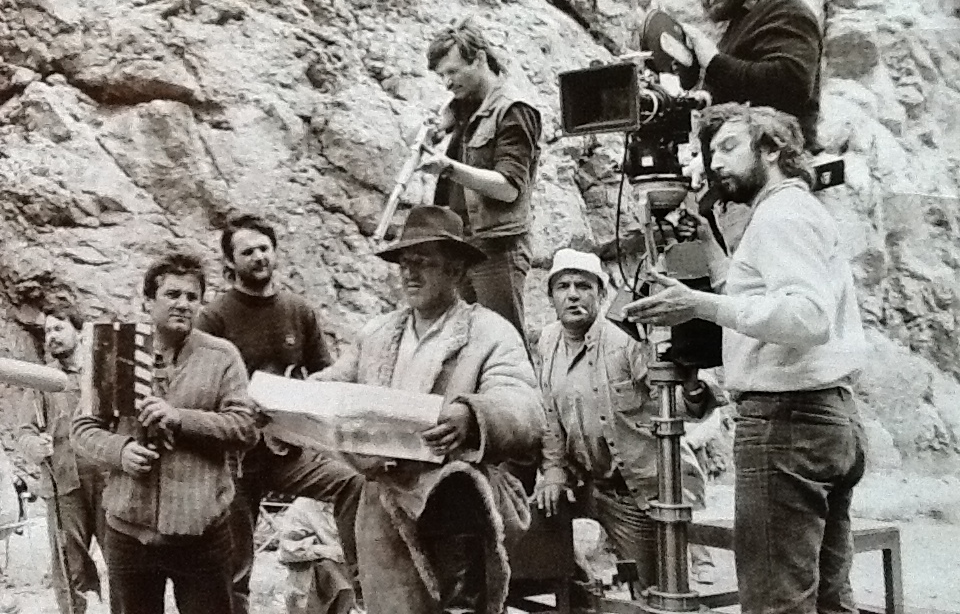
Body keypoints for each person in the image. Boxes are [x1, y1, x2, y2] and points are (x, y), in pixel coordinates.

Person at [624, 104, 867, 614]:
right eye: (711, 152)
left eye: (730, 147)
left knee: (777, 602)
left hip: (787, 424)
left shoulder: (781, 215)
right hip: (827, 417)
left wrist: (699, 304)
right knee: (829, 601)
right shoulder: (793, 211)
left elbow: (807, 318)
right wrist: (710, 248)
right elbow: (761, 297)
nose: (716, 163)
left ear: (773, 149)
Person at [313, 205, 545, 614]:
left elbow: (524, 406)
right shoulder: (377, 333)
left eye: (423, 263)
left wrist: (472, 416)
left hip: (458, 511)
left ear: (456, 271)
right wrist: (286, 399)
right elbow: (335, 385)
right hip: (383, 508)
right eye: (404, 263)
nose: (410, 274)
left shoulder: (489, 332)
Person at [195, 213, 363, 614]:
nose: (259, 257)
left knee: (354, 483)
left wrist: (301, 399)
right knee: (235, 564)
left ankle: (358, 584)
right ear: (230, 262)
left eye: (264, 248)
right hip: (235, 459)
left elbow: (324, 374)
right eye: (247, 252)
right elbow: (199, 387)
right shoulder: (213, 317)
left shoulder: (298, 311)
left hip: (290, 450)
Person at [72, 251, 258, 614]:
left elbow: (245, 427)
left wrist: (181, 418)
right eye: (172, 294)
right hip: (129, 531)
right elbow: (83, 428)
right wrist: (121, 451)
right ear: (148, 301)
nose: (183, 304)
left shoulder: (221, 356)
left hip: (202, 532)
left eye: (192, 297)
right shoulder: (116, 349)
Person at [532, 249, 716, 591]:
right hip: (586, 483)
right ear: (551, 296)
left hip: (635, 489)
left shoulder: (625, 340)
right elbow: (550, 417)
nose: (573, 295)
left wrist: (691, 389)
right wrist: (553, 471)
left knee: (652, 591)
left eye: (583, 286)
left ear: (601, 294)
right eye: (563, 286)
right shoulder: (548, 341)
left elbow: (671, 403)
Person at [419, 20, 543, 342]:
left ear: (480, 59)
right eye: (441, 75)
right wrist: (438, 128)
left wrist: (449, 169)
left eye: (452, 72)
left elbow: (508, 188)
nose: (447, 82)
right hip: (462, 245)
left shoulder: (514, 111)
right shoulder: (467, 101)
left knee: (504, 345)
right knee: (469, 345)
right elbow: (453, 115)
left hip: (497, 251)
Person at [682, 0, 823, 150]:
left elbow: (791, 83)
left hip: (780, 164)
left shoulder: (785, 9)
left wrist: (714, 62)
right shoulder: (741, 23)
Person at [18, 304, 114, 614]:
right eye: (47, 331)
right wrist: (36, 446)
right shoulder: (42, 381)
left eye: (59, 329)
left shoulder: (101, 373)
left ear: (80, 332)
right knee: (68, 565)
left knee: (121, 561)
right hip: (64, 485)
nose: (51, 337)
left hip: (108, 483)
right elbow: (24, 432)